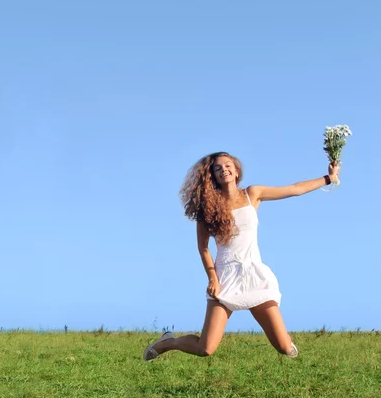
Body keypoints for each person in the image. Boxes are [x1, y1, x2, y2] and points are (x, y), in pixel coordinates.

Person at [143, 152, 339, 361]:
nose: (223, 170)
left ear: (236, 171)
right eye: (218, 169)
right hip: (224, 277)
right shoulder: (208, 208)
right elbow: (203, 248)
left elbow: (294, 189)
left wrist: (329, 178)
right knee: (206, 348)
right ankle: (168, 342)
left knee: (284, 347)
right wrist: (212, 278)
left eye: (228, 166)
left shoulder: (252, 194)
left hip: (253, 273)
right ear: (213, 176)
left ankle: (286, 342)